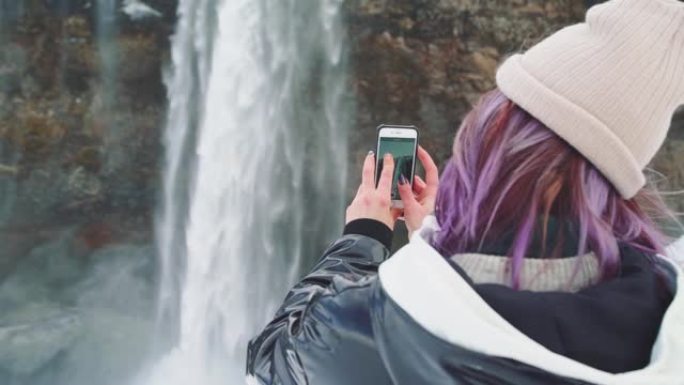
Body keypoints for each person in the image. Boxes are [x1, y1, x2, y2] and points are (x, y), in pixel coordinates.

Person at [246, 0, 684, 384]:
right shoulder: (662, 317)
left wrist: (363, 236)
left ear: (495, 157)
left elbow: (273, 362)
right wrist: (437, 249)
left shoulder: (374, 328)